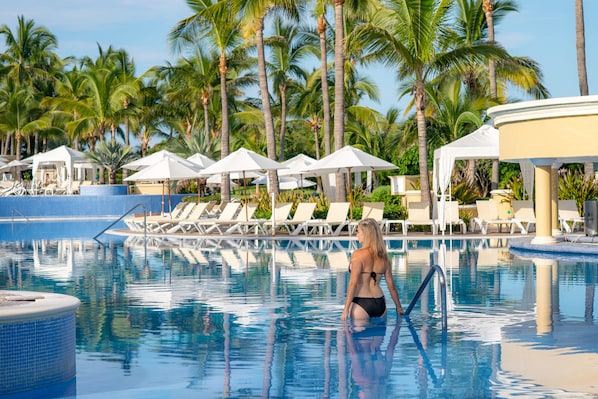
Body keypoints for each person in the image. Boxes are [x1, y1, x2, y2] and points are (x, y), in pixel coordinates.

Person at [341, 218, 404, 320]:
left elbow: (353, 283)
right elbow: (391, 286)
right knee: (378, 335)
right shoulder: (384, 257)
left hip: (361, 303)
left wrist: (345, 310)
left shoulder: (358, 255)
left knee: (355, 335)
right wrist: (399, 307)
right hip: (380, 303)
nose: (357, 235)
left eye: (358, 231)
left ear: (366, 234)